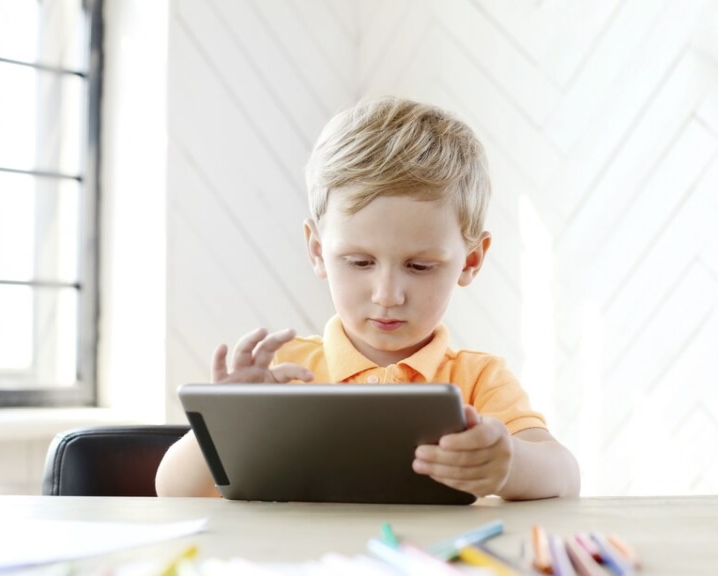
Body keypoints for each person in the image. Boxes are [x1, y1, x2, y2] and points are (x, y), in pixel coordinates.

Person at [155, 96, 580, 500]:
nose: (388, 295)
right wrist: (225, 421)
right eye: (359, 262)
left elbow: (563, 475)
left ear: (470, 260)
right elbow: (172, 491)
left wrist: (508, 466)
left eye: (419, 266)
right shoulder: (284, 374)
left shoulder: (479, 380)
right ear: (318, 251)